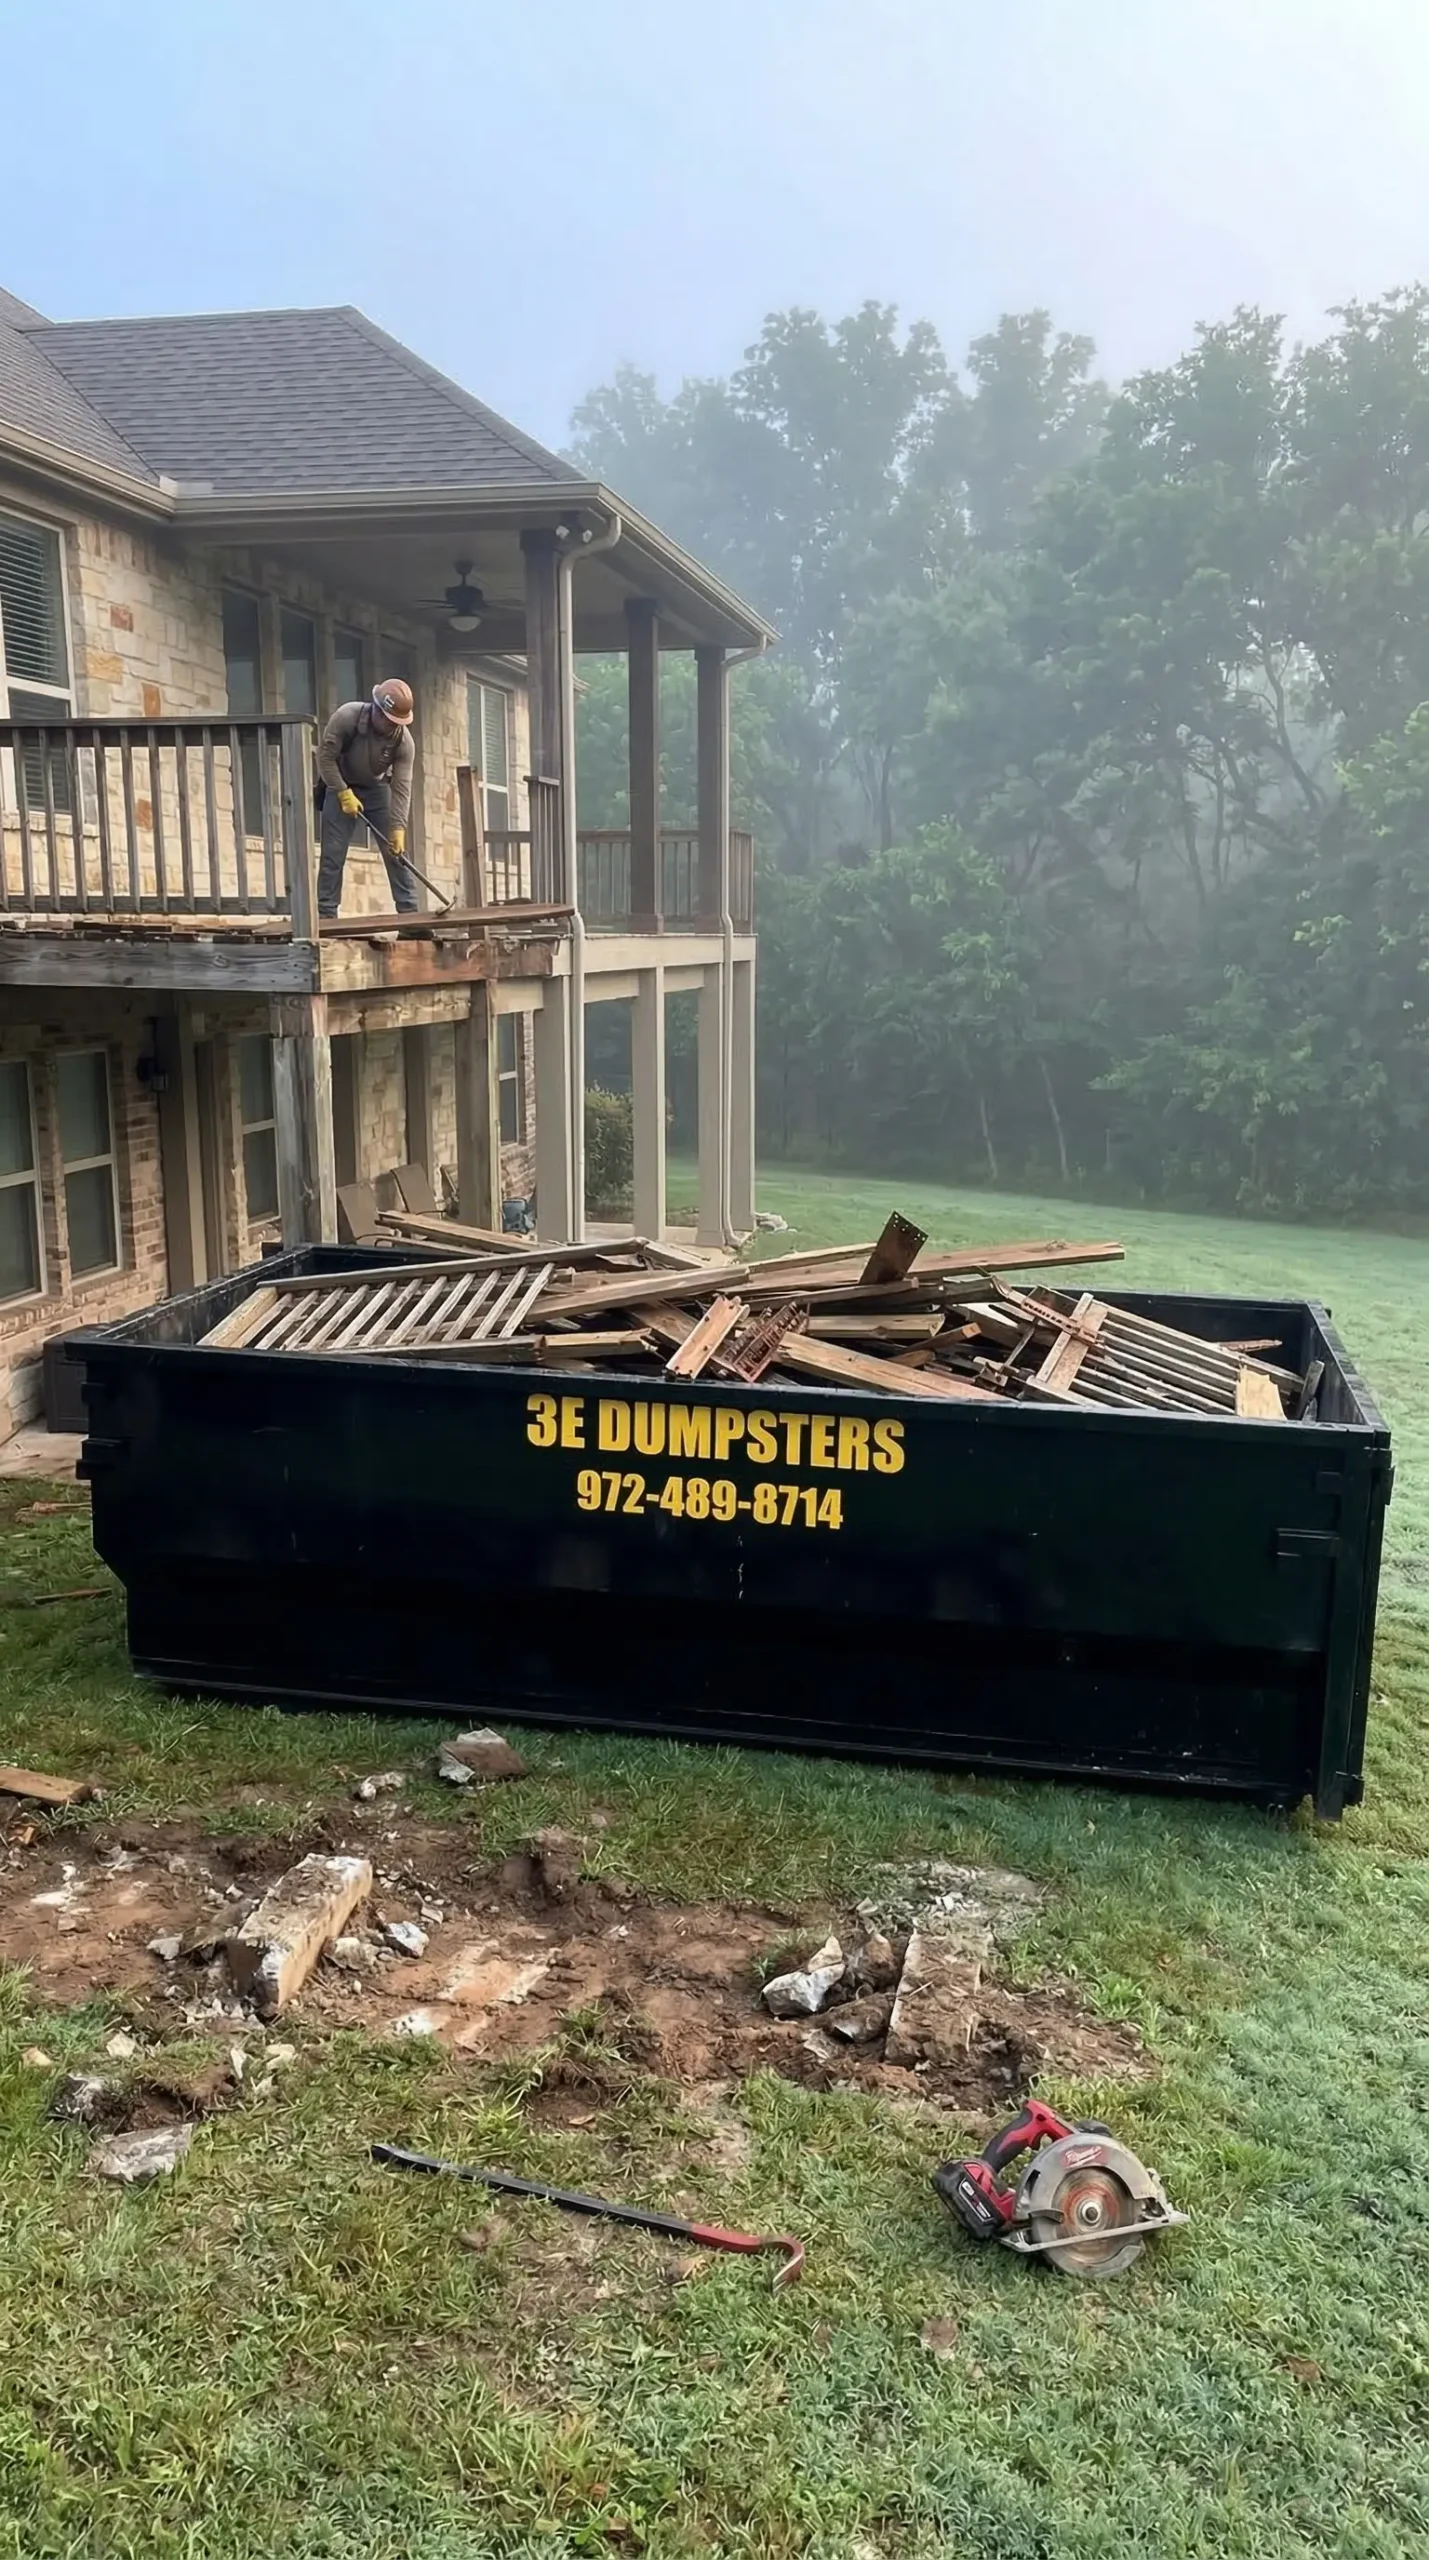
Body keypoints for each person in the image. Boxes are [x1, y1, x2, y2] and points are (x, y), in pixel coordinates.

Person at [316, 678, 418, 919]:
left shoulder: (404, 742)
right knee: (333, 853)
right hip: (340, 783)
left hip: (376, 789)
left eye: (397, 722)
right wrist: (343, 792)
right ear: (376, 709)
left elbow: (402, 788)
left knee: (396, 855)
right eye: (388, 720)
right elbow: (325, 758)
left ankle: (410, 916)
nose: (391, 726)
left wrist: (398, 828)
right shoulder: (346, 717)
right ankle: (326, 915)